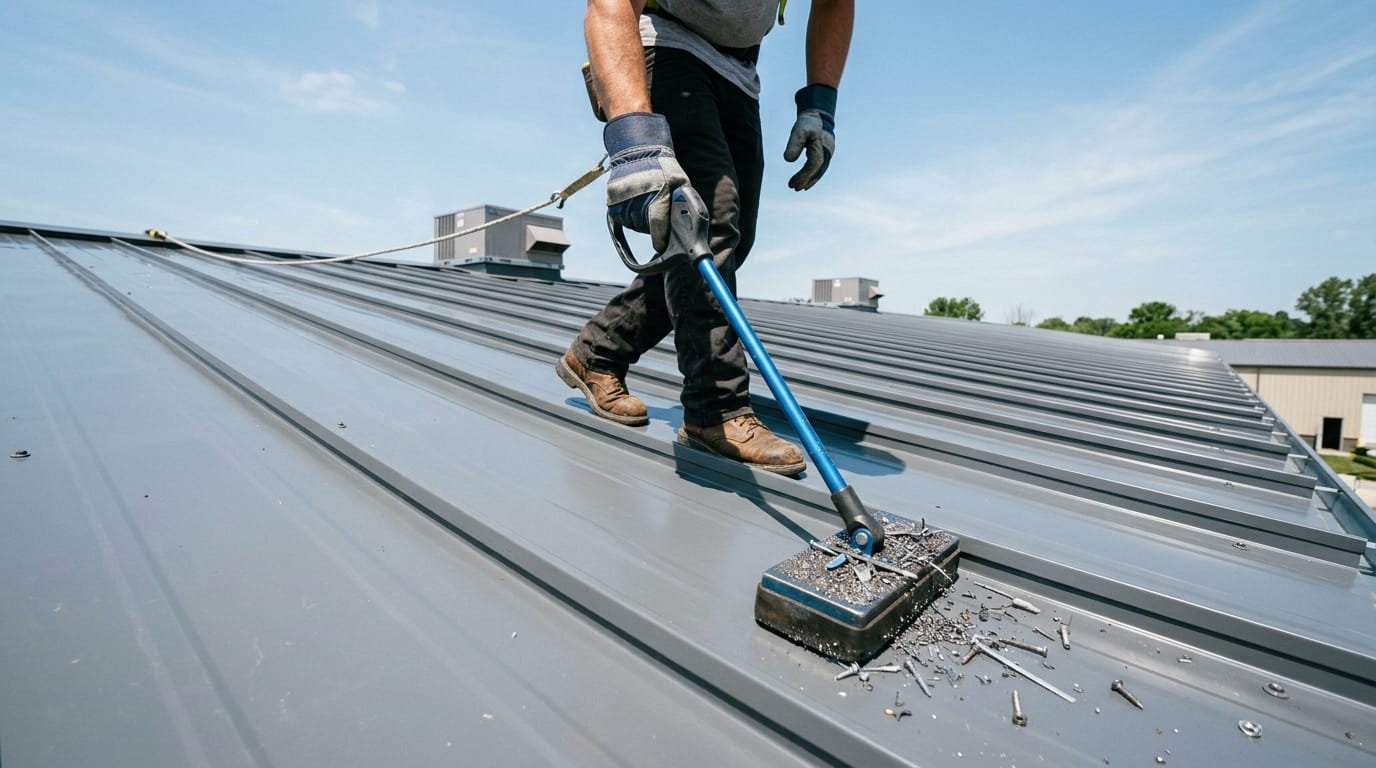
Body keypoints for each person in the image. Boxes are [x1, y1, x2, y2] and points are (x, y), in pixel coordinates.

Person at [556, 0, 853, 474]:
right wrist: (634, 139)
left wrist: (821, 105)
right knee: (707, 225)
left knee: (723, 245)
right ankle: (716, 411)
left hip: (738, 70)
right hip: (666, 44)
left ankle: (598, 352)